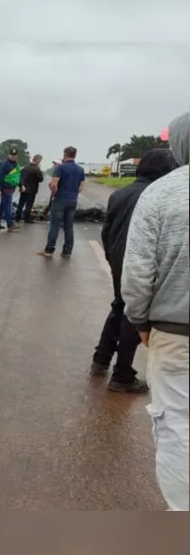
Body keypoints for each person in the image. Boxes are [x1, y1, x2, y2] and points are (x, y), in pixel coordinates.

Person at [122, 111, 189, 511]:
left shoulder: (162, 194)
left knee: (177, 427)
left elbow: (138, 271)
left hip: (175, 334)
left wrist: (140, 320)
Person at [91, 148, 177, 393]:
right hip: (142, 261)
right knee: (135, 314)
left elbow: (106, 232)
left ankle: (101, 357)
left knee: (120, 305)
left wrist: (111, 258)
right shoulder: (159, 196)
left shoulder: (120, 194)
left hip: (119, 259)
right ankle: (122, 374)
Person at [38, 146, 84, 257]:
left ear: (65, 154)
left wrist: (54, 193)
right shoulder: (80, 169)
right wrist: (73, 193)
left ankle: (49, 250)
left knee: (54, 225)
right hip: (72, 200)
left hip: (60, 199)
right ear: (75, 155)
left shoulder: (60, 168)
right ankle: (67, 251)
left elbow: (54, 184)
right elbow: (82, 186)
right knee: (69, 226)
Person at [0, 148, 21, 232]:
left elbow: (17, 176)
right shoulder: (5, 164)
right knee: (8, 206)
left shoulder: (16, 165)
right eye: (11, 155)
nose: (13, 157)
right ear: (9, 155)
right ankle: (10, 223)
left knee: (2, 207)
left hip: (11, 188)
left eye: (14, 155)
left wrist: (21, 185)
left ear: (17, 156)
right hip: (6, 189)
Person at [15, 154, 43, 223]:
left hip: (23, 189)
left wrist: (21, 186)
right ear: (38, 160)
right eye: (40, 160)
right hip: (32, 190)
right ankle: (26, 218)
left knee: (20, 204)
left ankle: (17, 217)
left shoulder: (25, 168)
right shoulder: (37, 169)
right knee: (29, 205)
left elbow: (19, 178)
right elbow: (40, 179)